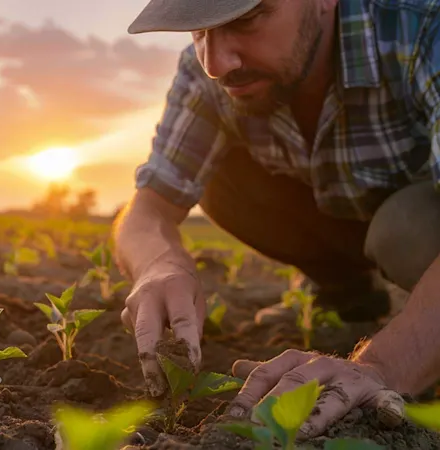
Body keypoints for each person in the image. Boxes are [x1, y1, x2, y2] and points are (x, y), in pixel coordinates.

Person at [112, 0, 440, 439]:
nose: (216, 63)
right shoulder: (206, 73)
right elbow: (149, 207)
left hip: (419, 222)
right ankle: (347, 291)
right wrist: (160, 263)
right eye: (199, 30)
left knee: (402, 229)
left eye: (246, 19)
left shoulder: (420, 26)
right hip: (339, 209)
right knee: (219, 181)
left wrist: (385, 365)